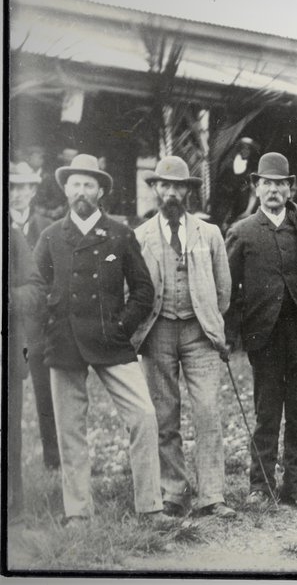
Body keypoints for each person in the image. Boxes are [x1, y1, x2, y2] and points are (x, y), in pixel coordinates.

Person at [33, 154, 168, 526]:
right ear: (65, 188)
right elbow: (36, 287)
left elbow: (144, 291)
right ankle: (77, 510)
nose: (81, 191)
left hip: (112, 341)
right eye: (75, 184)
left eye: (88, 184)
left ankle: (150, 505)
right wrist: (48, 324)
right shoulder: (50, 236)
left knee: (143, 416)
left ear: (101, 191)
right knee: (70, 429)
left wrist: (122, 327)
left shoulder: (121, 234)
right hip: (64, 342)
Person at [224, 152, 297, 512]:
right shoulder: (241, 232)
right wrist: (230, 333)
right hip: (264, 335)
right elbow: (228, 288)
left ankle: (296, 485)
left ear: (290, 188)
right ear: (257, 187)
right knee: (267, 412)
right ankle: (261, 484)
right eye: (266, 184)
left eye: (280, 184)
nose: (273, 190)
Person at [132, 156, 236, 519]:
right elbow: (135, 287)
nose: (172, 193)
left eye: (179, 187)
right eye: (166, 186)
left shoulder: (209, 234)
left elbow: (224, 288)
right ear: (156, 190)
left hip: (199, 333)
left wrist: (209, 318)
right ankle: (172, 492)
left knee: (207, 410)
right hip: (157, 330)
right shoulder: (141, 236)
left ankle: (212, 494)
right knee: (164, 414)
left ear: (189, 192)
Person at [9, 161, 60, 471]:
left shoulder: (46, 228)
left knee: (46, 395)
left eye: (24, 187)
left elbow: (55, 279)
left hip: (41, 326)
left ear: (33, 190)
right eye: (12, 187)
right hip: (12, 326)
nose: (18, 194)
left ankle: (53, 459)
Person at [8, 228, 46, 523]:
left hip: (6, 357)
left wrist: (7, 295)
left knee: (9, 434)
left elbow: (35, 289)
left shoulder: (11, 236)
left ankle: (12, 508)